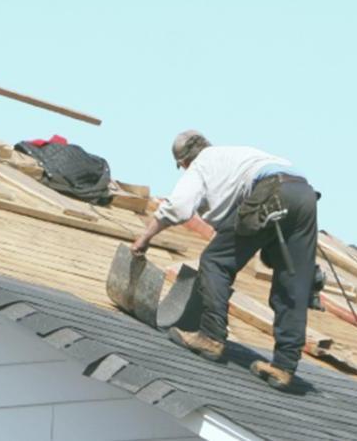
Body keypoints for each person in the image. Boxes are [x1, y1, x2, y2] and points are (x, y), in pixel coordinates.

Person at [131, 131, 319, 390]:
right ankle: (284, 366)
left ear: (185, 161)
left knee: (216, 260)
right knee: (293, 279)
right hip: (304, 194)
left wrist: (145, 237)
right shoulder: (233, 157)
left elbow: (180, 207)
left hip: (271, 191)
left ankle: (210, 336)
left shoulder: (201, 165)